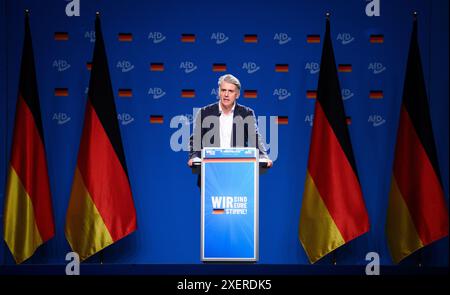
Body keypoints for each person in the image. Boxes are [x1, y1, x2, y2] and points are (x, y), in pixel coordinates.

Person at [188, 74, 272, 168]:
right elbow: (196, 138)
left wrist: (262, 155)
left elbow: (255, 137)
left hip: (237, 168)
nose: (226, 94)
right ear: (219, 92)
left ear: (237, 95)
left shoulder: (246, 113)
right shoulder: (204, 112)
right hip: (211, 168)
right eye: (223, 90)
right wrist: (195, 156)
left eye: (230, 91)